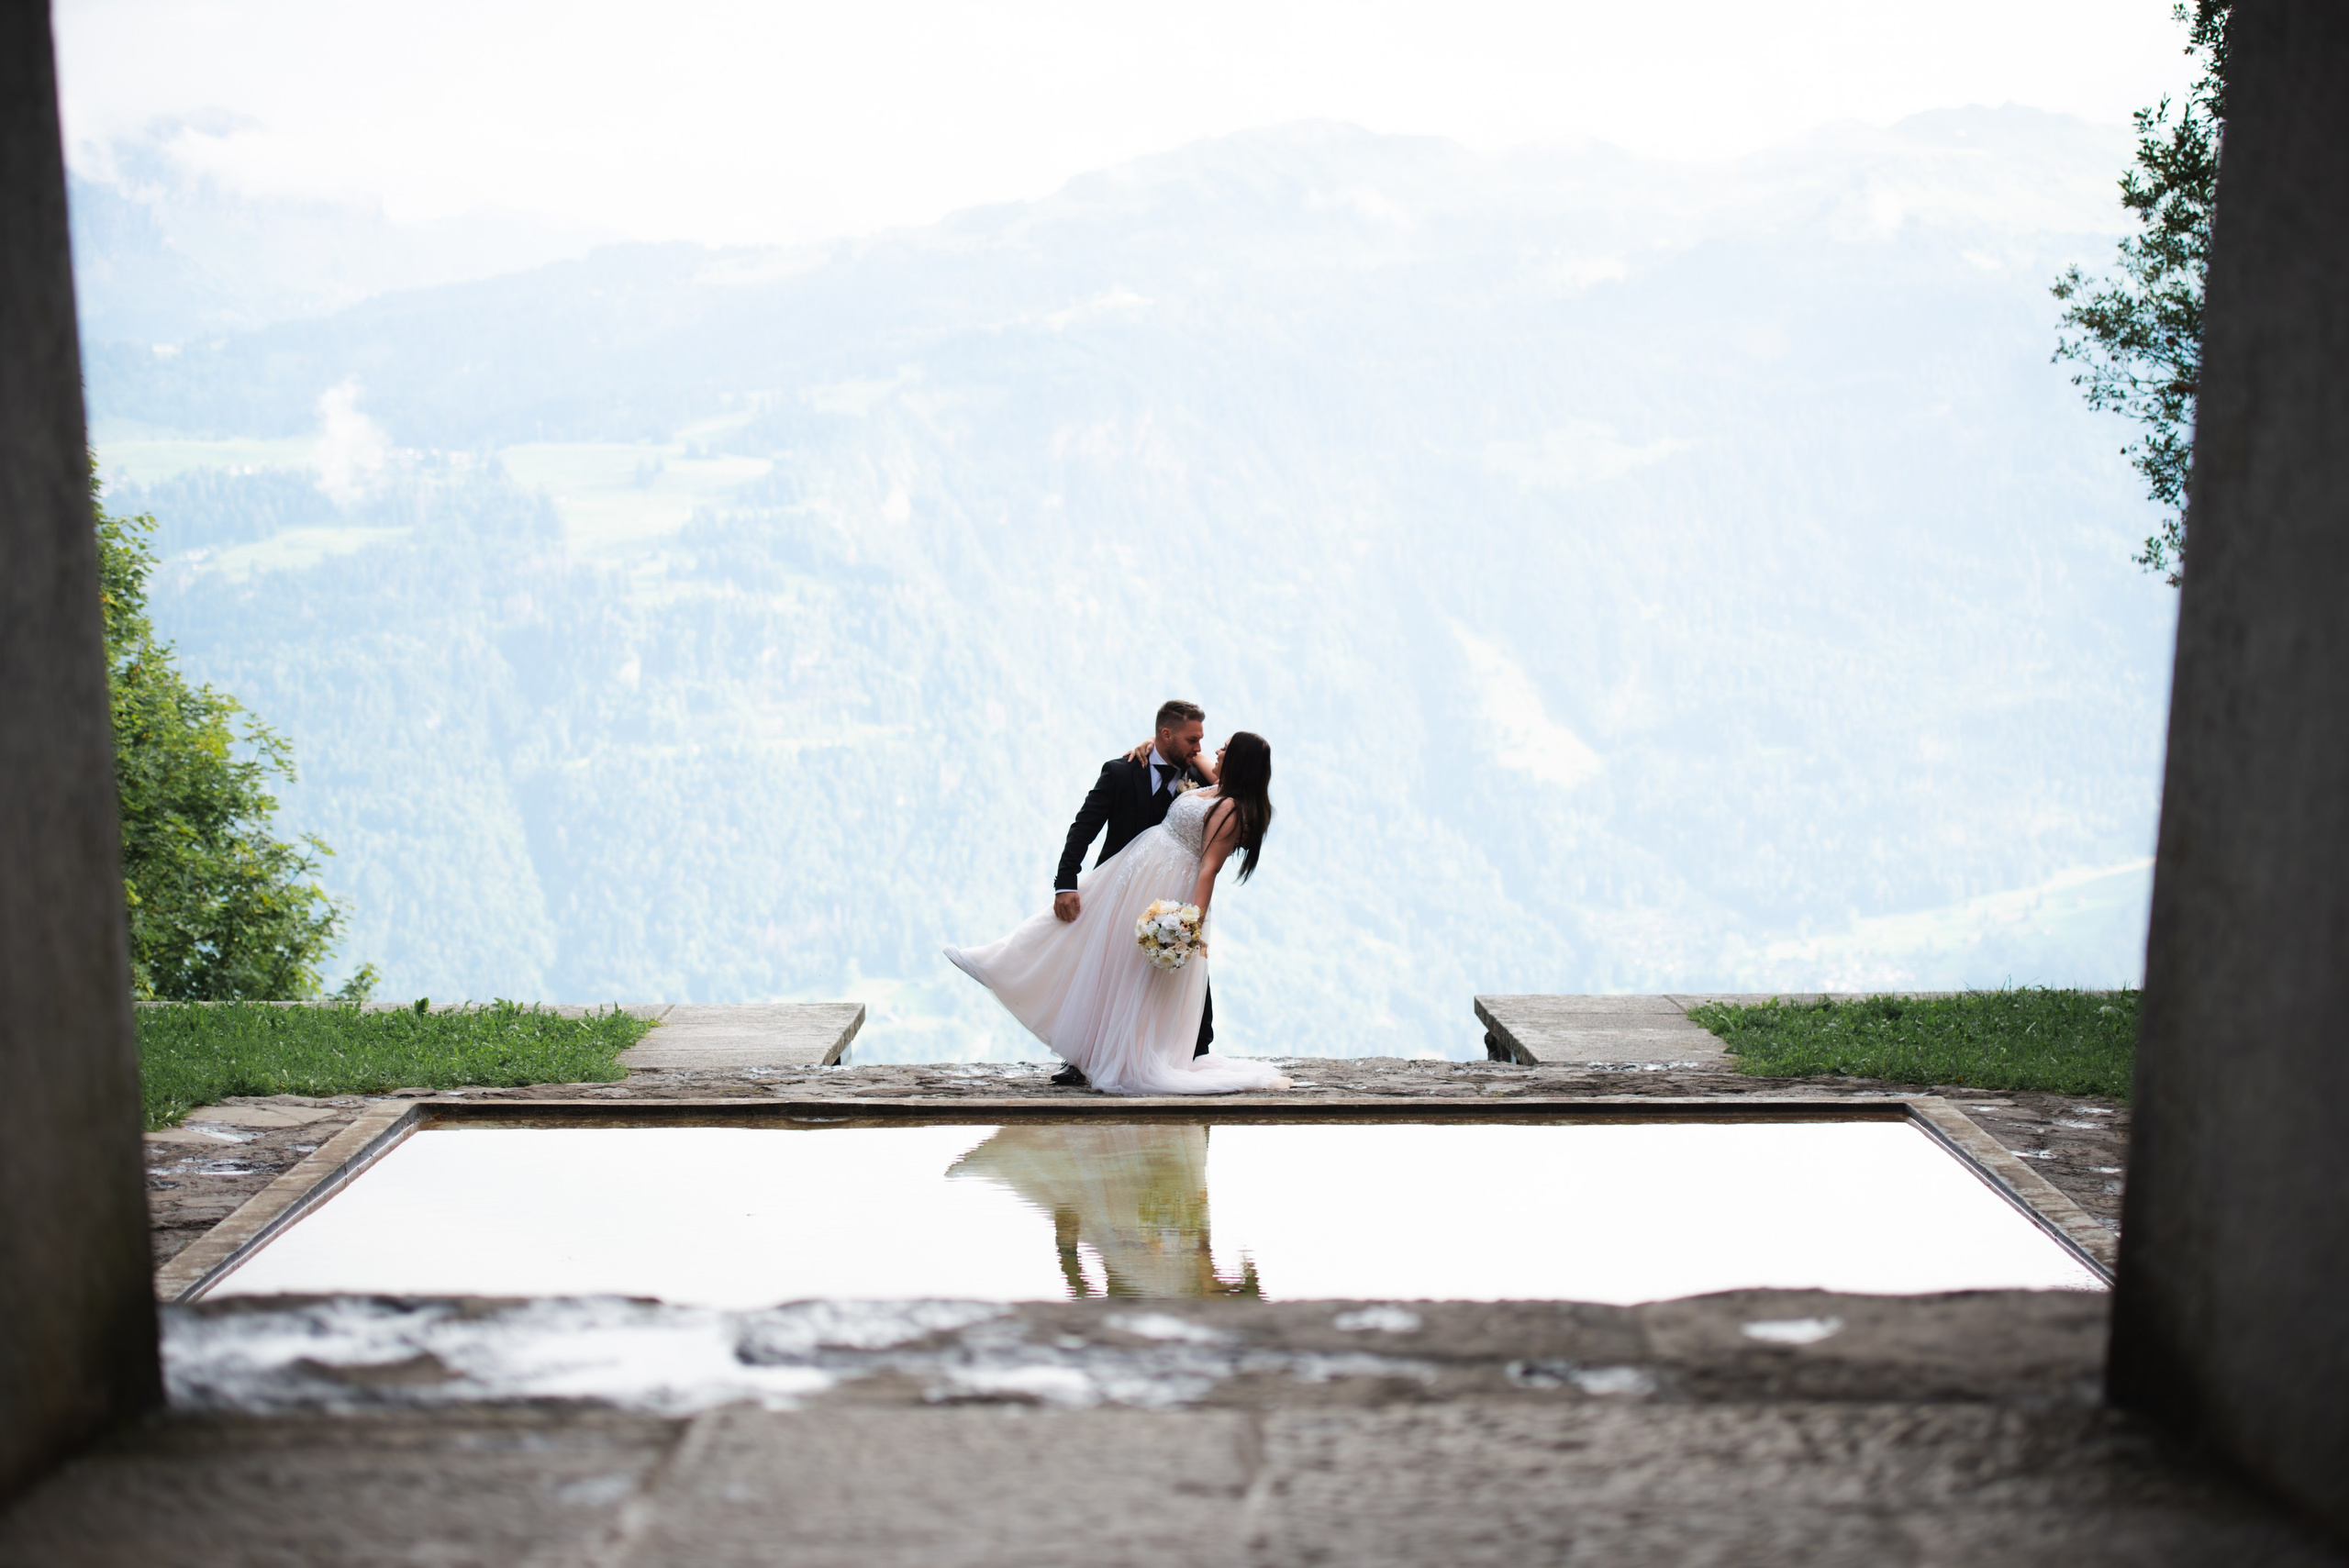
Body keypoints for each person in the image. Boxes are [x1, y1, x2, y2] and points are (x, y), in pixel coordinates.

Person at [944, 714, 1289, 1095]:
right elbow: (1189, 760)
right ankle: (998, 963)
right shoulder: (1204, 778)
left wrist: (1189, 924)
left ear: (1239, 761)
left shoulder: (1229, 807)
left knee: (1134, 971)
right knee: (1086, 939)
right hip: (1131, 872)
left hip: (1167, 886)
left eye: (1223, 746)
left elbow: (1208, 871)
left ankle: (1126, 1055)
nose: (1210, 749)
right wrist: (1152, 745)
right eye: (1198, 740)